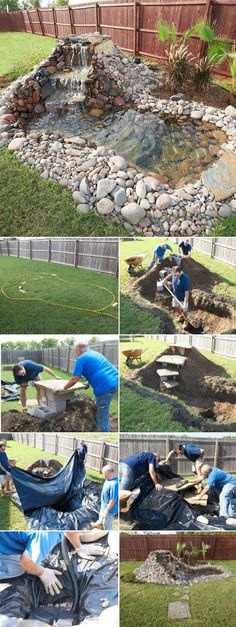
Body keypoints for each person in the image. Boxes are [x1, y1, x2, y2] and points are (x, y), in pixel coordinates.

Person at [0, 530, 108, 593]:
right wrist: (43, 573)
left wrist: (80, 547)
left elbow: (70, 530)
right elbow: (26, 562)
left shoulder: (57, 528)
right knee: (18, 569)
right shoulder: (47, 535)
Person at [61, 342, 118, 432]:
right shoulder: (95, 354)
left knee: (102, 414)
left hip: (104, 386)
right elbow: (99, 369)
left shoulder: (81, 359)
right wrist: (89, 382)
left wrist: (63, 389)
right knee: (103, 409)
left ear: (79, 349)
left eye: (76, 351)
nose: (76, 353)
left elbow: (74, 379)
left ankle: (103, 432)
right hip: (114, 380)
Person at [91, 465, 118, 530]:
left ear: (109, 473)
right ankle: (99, 523)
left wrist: (106, 510)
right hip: (104, 505)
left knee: (107, 525)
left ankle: (105, 531)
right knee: (101, 516)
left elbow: (113, 499)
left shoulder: (114, 484)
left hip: (109, 510)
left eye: (104, 474)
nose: (103, 476)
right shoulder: (108, 479)